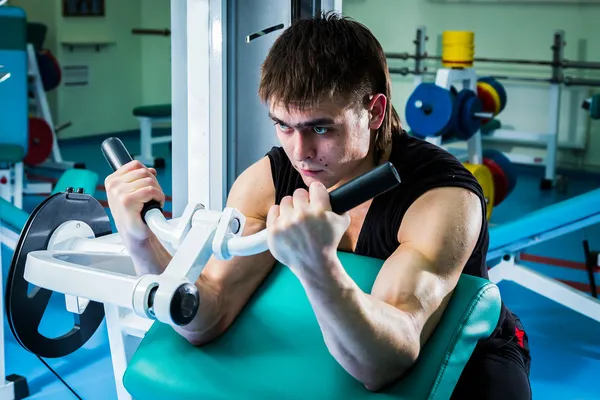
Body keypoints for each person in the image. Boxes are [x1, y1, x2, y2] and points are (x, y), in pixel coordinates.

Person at [105, 12, 531, 399]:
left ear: (375, 111)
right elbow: (208, 316)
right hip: (336, 346)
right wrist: (140, 239)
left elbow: (383, 366)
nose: (301, 152)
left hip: (470, 364)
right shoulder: (268, 180)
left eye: (321, 128)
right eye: (283, 127)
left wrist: (317, 266)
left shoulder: (441, 197)